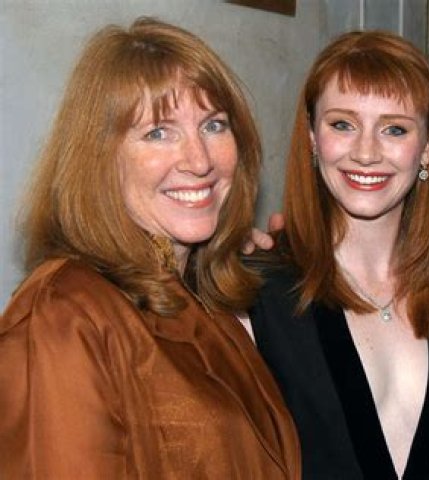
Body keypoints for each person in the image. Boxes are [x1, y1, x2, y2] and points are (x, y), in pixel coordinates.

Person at [0, 17, 300, 478]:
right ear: (100, 159)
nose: (199, 160)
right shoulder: (62, 316)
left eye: (214, 125)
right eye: (158, 133)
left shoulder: (210, 304)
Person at [245, 31, 429, 479]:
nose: (366, 153)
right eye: (343, 125)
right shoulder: (257, 290)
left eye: (394, 129)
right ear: (312, 136)